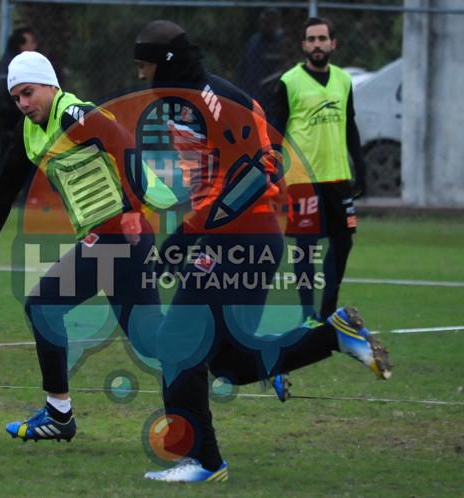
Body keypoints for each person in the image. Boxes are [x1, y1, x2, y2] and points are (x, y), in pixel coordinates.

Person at [132, 20, 391, 484]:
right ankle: (335, 336)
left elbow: (254, 171)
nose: (140, 75)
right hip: (236, 236)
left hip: (242, 238)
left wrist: (186, 237)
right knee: (228, 363)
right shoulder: (182, 102)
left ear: (166, 63)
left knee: (177, 344)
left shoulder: (214, 99)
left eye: (145, 64)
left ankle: (205, 462)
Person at [0, 51, 175, 444]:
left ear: (50, 85)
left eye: (28, 93)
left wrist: (134, 208)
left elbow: (122, 142)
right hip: (115, 235)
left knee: (44, 304)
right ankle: (241, 359)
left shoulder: (72, 114)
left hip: (120, 230)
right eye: (16, 97)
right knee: (152, 340)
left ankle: (58, 414)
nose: (23, 104)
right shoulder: (32, 130)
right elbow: (7, 180)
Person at [269, 17, 367, 323]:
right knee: (306, 248)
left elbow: (349, 125)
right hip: (302, 180)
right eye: (311, 39)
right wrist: (274, 172)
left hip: (337, 177)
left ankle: (328, 309)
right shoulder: (289, 82)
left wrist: (360, 166)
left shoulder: (343, 80)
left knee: (343, 242)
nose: (317, 44)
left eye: (322, 38)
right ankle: (305, 313)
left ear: (332, 43)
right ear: (304, 46)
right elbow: (274, 131)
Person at [0, 27, 38, 175]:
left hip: (13, 124)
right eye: (31, 42)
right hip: (11, 125)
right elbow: (2, 97)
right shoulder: (12, 67)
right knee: (9, 161)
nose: (35, 47)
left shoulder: (13, 64)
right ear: (21, 46)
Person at [236, 8, 287, 114]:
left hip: (273, 99)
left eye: (268, 23)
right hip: (252, 93)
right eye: (262, 22)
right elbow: (243, 66)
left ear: (276, 23)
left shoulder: (283, 42)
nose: (264, 26)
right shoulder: (254, 41)